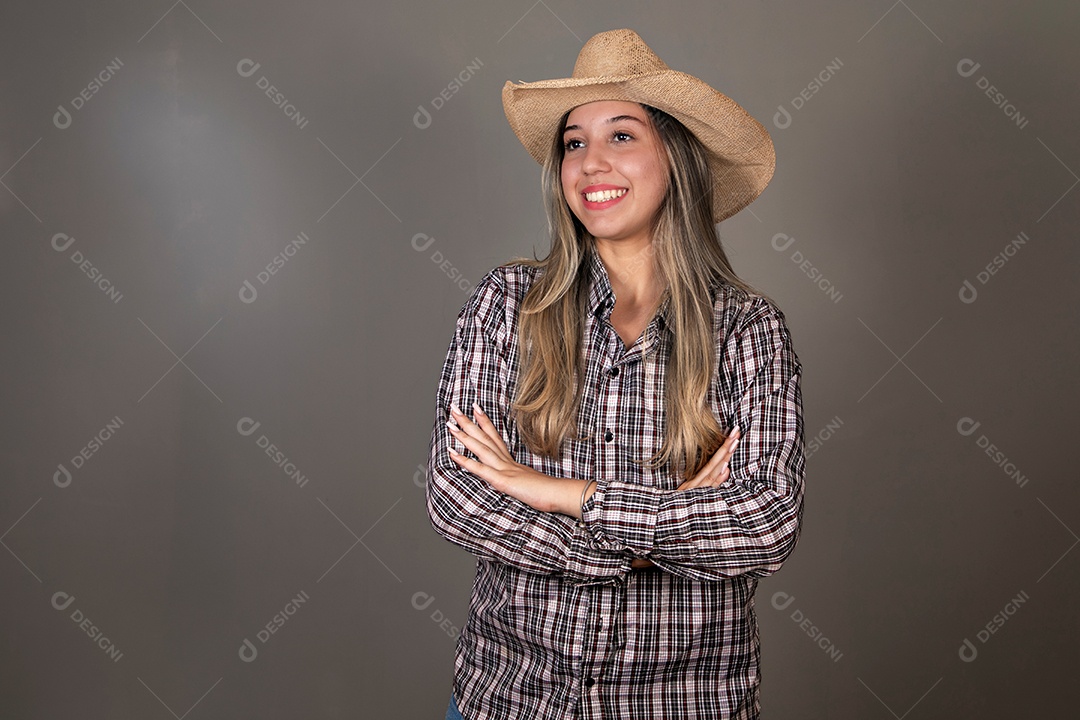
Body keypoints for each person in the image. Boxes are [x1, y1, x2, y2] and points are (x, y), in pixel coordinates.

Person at [427, 28, 805, 720]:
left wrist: (559, 492)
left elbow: (764, 525)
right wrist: (643, 548)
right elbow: (459, 499)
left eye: (621, 137)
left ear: (678, 159)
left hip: (685, 705)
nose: (590, 164)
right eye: (574, 143)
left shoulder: (750, 331)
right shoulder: (506, 303)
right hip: (512, 701)